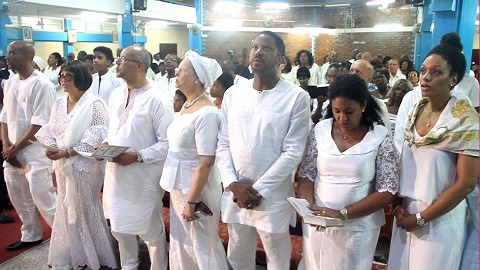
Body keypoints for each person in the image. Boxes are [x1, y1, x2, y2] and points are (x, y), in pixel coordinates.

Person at [216, 31, 311, 270]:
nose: (258, 52)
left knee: (277, 259)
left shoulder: (296, 97)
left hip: (271, 196)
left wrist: (258, 190)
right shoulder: (234, 94)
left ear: (281, 60)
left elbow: (293, 152)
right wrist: (232, 183)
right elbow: (222, 142)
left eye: (266, 48)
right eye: (255, 47)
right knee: (237, 256)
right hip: (236, 193)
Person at [388, 35, 478, 270]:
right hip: (406, 213)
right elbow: (403, 157)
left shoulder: (465, 121)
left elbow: (466, 184)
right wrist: (399, 204)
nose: (425, 78)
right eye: (424, 70)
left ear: (454, 79)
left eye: (436, 72)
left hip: (440, 219)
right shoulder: (414, 109)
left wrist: (421, 218)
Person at [296, 74, 398, 270]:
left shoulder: (379, 137)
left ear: (363, 106)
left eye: (349, 111)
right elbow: (307, 175)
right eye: (337, 111)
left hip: (357, 227)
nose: (342, 118)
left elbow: (387, 191)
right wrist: (308, 207)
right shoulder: (321, 130)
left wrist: (342, 213)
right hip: (319, 224)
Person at [35, 61, 117, 270]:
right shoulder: (59, 103)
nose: (63, 79)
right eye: (61, 76)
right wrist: (51, 147)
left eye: (68, 76)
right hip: (63, 165)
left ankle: (94, 257)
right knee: (67, 206)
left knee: (84, 206)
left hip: (84, 164)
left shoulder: (94, 104)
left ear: (81, 79)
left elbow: (98, 134)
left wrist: (68, 151)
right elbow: (52, 130)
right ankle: (76, 253)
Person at [103, 45, 174, 270]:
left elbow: (168, 143)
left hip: (143, 176)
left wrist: (138, 156)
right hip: (116, 174)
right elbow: (113, 130)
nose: (117, 63)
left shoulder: (157, 99)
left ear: (139, 65)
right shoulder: (116, 94)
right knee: (119, 226)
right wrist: (106, 145)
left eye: (122, 60)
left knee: (150, 229)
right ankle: (129, 265)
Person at [159, 50, 228, 269]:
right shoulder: (187, 106)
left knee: (202, 244)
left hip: (197, 190)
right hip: (179, 185)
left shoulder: (207, 112)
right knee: (182, 242)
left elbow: (206, 161)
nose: (176, 73)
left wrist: (191, 201)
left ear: (197, 77)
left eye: (182, 70)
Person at [1, 41, 57, 251]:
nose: (8, 56)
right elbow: (4, 116)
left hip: (35, 150)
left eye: (12, 53)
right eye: (8, 52)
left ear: (27, 56)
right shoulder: (9, 82)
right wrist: (6, 144)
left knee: (43, 196)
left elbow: (39, 123)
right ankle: (31, 233)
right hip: (12, 150)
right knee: (17, 193)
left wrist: (15, 147)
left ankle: (65, 239)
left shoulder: (42, 84)